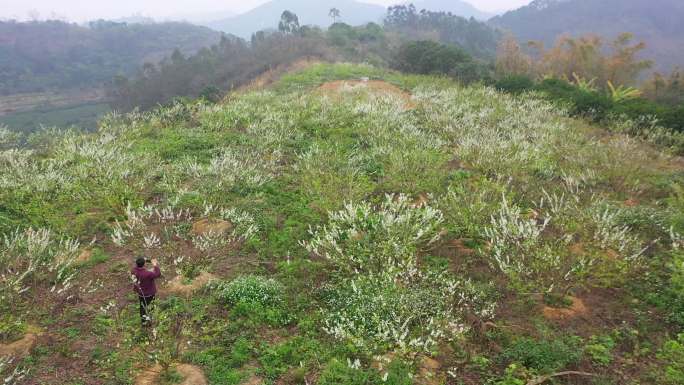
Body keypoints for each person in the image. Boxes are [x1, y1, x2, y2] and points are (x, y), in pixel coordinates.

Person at [131, 257, 161, 326]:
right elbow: (158, 274)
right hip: (149, 294)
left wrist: (148, 260)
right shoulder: (147, 274)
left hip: (141, 293)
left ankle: (144, 322)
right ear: (144, 264)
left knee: (142, 307)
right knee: (151, 307)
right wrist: (155, 265)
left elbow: (140, 267)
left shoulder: (134, 271)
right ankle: (150, 321)